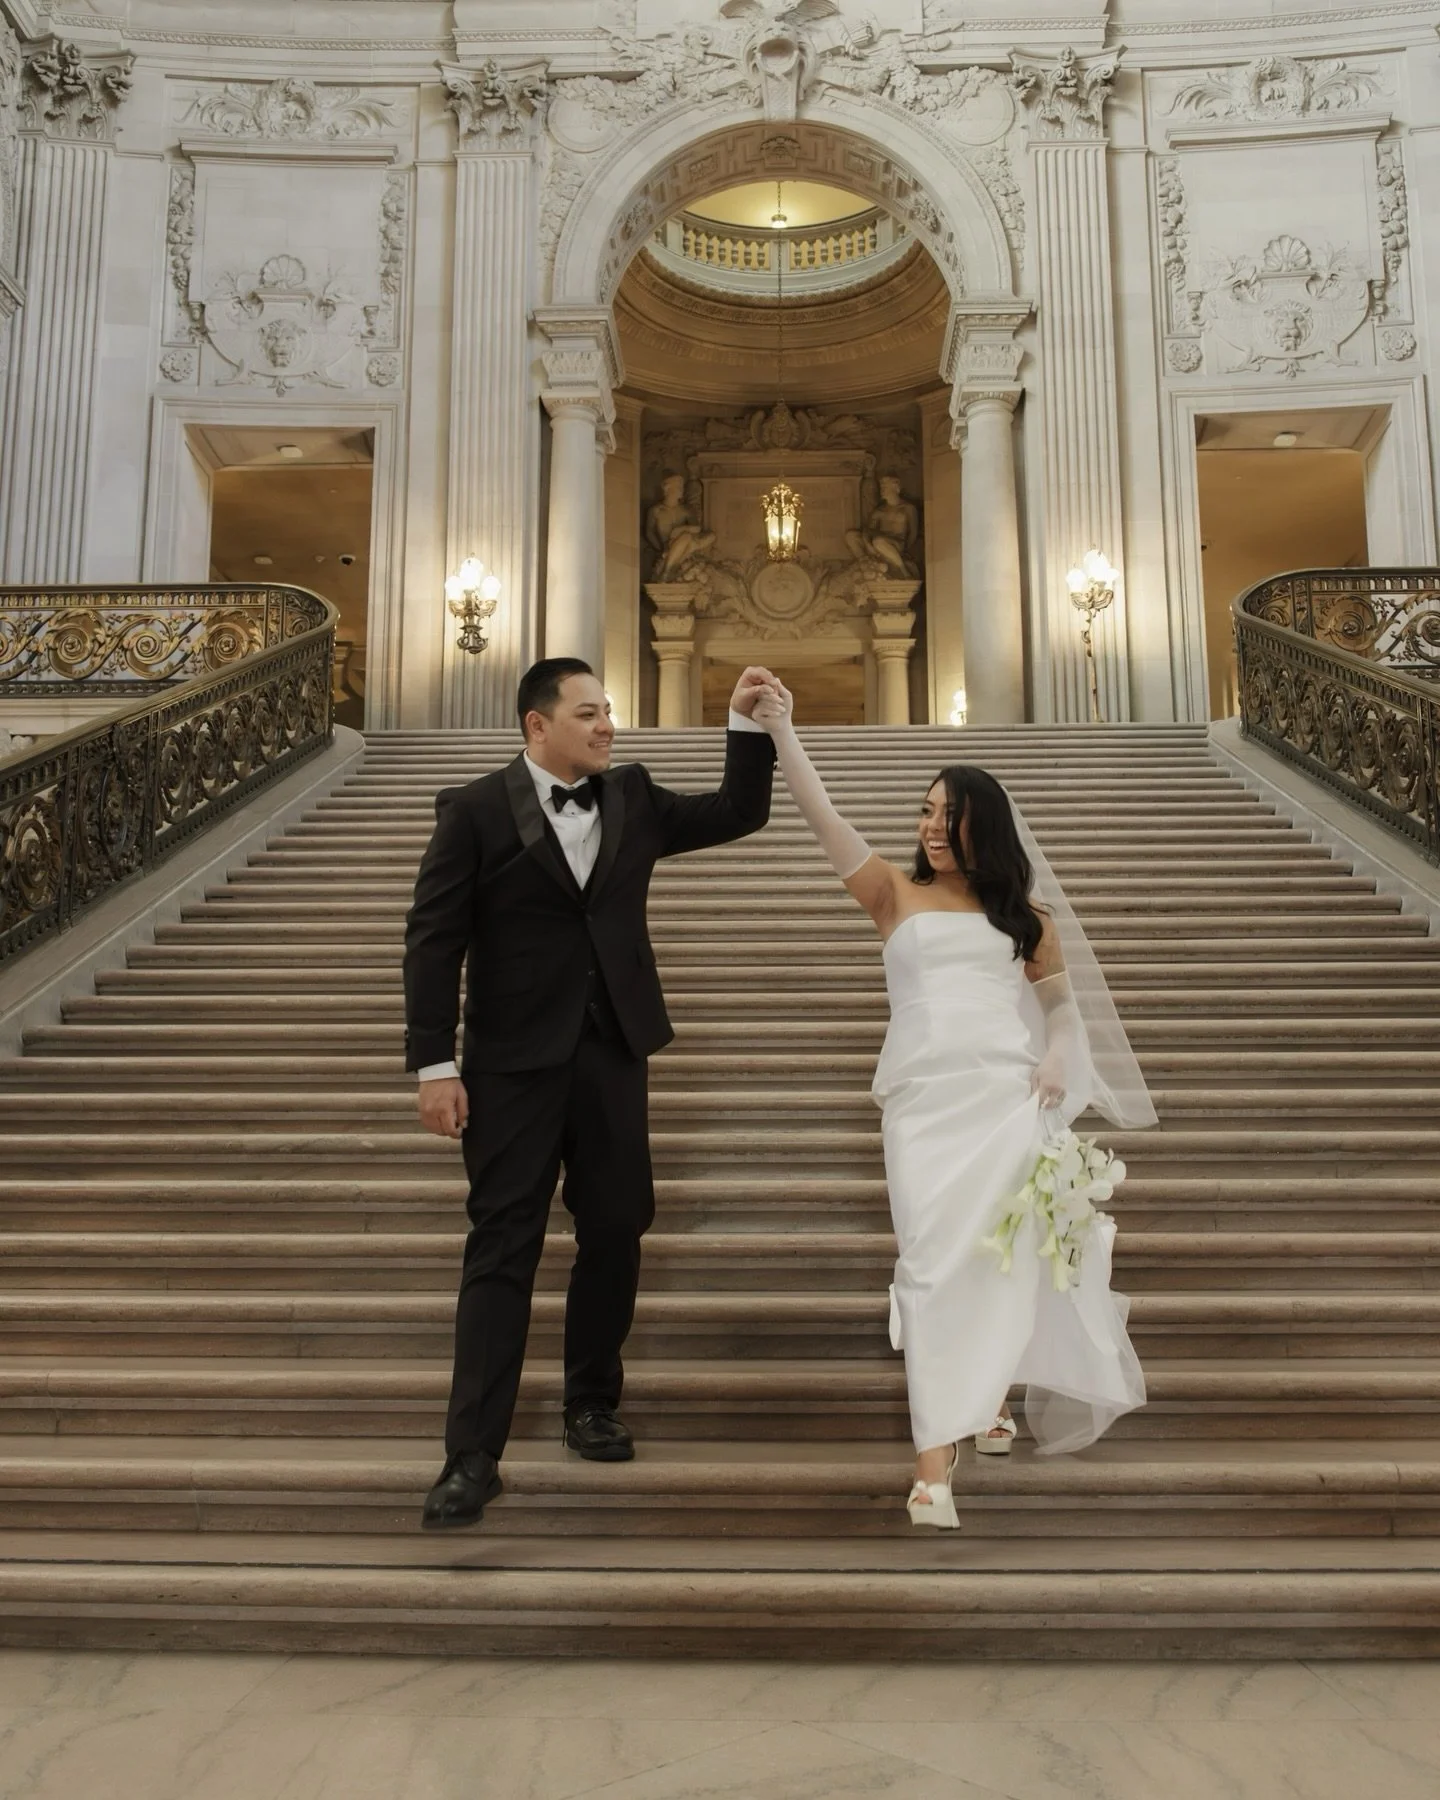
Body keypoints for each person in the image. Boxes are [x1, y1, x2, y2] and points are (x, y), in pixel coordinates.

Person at [751, 680, 1154, 1528]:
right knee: (933, 1263)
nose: (931, 827)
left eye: (949, 815)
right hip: (922, 1105)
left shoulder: (1026, 919)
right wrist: (784, 731)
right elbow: (823, 820)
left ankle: (934, 1469)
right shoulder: (893, 894)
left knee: (997, 1256)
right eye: (926, 812)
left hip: (1003, 1100)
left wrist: (1054, 1056)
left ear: (985, 826)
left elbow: (1064, 1014)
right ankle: (961, 1421)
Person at [404, 657, 778, 1529]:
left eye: (608, 712)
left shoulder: (634, 797)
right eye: (588, 713)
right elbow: (432, 941)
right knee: (504, 1245)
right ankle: (471, 1455)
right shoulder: (472, 810)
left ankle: (589, 1405)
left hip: (613, 1054)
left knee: (616, 1227)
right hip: (506, 1066)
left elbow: (739, 812)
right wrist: (433, 1064)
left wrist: (746, 725)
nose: (607, 725)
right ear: (538, 727)